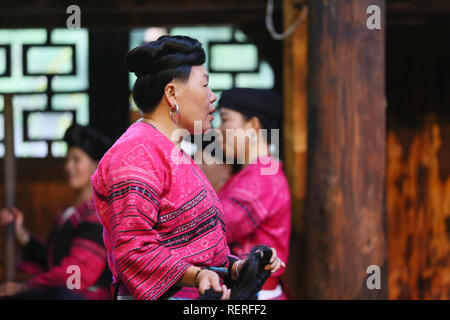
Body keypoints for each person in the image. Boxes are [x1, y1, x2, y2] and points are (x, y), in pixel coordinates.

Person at [90, 35, 285, 300]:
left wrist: (238, 267)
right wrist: (197, 275)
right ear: (172, 94)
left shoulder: (172, 152)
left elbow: (195, 249)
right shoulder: (136, 153)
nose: (212, 96)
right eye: (205, 84)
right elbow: (134, 250)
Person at [0, 124, 113, 299]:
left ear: (95, 165)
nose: (68, 166)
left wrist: (25, 287)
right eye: (67, 160)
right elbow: (53, 259)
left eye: (76, 160)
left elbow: (75, 277)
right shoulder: (69, 214)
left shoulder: (98, 216)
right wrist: (23, 235)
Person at [216, 87, 292, 300]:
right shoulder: (253, 174)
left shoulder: (262, 177)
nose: (218, 129)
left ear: (253, 125)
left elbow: (216, 229)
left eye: (225, 119)